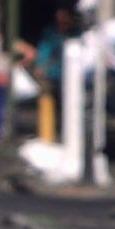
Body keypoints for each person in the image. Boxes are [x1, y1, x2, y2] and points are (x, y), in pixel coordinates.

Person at [33, 8, 75, 145]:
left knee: (67, 104)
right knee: (49, 101)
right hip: (52, 74)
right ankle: (49, 133)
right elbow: (44, 49)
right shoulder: (50, 33)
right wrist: (40, 65)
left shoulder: (74, 34)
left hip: (69, 76)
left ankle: (66, 132)